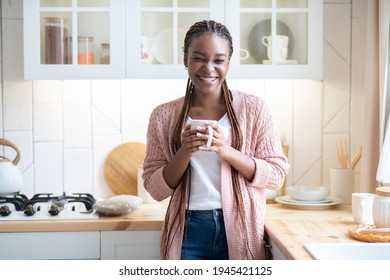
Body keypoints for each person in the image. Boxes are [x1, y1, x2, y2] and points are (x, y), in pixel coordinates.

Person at [142, 19, 289, 260]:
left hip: (241, 228)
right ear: (185, 59)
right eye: (199, 58)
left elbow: (276, 175)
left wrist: (227, 151)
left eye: (218, 60)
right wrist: (184, 152)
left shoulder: (254, 109)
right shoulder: (163, 115)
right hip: (187, 231)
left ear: (229, 63)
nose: (208, 68)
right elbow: (154, 188)